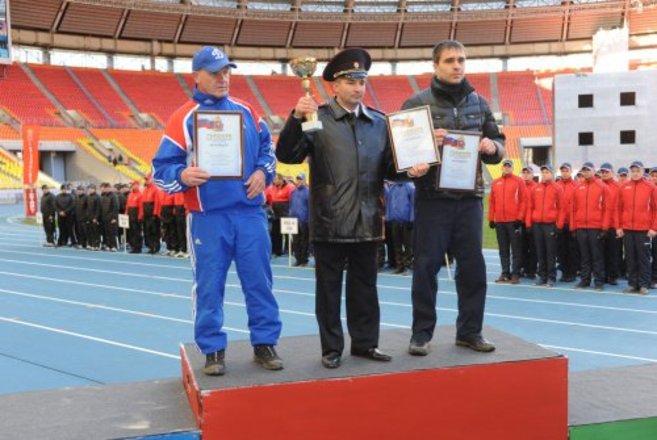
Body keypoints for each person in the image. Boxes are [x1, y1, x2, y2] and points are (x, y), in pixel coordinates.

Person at [152, 46, 282, 376]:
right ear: (196, 76)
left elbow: (268, 151)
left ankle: (265, 343)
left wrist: (262, 173)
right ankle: (212, 349)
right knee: (209, 285)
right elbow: (160, 171)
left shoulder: (247, 111)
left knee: (260, 282)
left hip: (250, 213)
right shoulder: (183, 119)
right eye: (215, 73)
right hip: (207, 217)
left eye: (226, 72)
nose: (223, 78)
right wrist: (182, 175)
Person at [277, 47, 394, 369]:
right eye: (350, 81)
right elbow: (287, 156)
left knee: (365, 289)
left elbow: (391, 168)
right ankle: (331, 348)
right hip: (330, 221)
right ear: (335, 85)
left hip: (368, 220)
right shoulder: (315, 119)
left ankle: (366, 344)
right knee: (328, 291)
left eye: (362, 81)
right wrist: (295, 119)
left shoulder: (379, 123)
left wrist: (413, 167)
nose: (358, 87)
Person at [401, 39, 505, 356]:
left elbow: (499, 144)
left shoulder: (480, 102)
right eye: (449, 60)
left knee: (473, 269)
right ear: (435, 66)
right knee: (425, 268)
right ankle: (421, 334)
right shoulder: (416, 104)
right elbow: (402, 155)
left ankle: (470, 332)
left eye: (461, 59)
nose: (457, 65)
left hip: (470, 200)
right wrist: (427, 145)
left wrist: (492, 147)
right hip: (433, 199)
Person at [616, 161, 657, 295]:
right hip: (628, 229)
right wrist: (619, 226)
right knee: (630, 257)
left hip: (644, 230)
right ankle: (633, 284)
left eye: (637, 171)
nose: (635, 173)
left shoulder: (651, 187)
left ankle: (644, 284)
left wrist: (654, 227)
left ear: (642, 172)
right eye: (633, 171)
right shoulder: (624, 187)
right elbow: (618, 209)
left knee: (643, 258)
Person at [570, 162, 611, 291]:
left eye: (588, 170)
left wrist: (604, 228)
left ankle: (598, 282)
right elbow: (573, 209)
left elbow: (607, 209)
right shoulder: (578, 187)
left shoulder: (602, 187)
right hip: (581, 227)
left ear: (593, 171)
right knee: (584, 256)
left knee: (597, 256)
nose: (586, 172)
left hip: (595, 227)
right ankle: (585, 280)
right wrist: (573, 227)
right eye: (584, 170)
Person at [525, 165, 564, 287]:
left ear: (551, 173)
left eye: (547, 172)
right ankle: (542, 276)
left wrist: (559, 225)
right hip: (537, 225)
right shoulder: (536, 188)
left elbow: (562, 208)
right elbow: (530, 207)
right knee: (540, 252)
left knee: (550, 253)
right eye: (543, 172)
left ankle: (551, 277)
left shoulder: (557, 188)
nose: (545, 174)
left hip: (550, 225)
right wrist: (529, 223)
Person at [488, 159, 526, 284]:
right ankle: (505, 273)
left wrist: (519, 218)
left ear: (512, 168)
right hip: (500, 221)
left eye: (509, 166)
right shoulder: (496, 182)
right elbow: (492, 201)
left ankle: (515, 274)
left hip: (513, 221)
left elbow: (523, 201)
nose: (506, 168)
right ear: (502, 168)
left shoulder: (518, 181)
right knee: (503, 249)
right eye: (505, 166)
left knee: (516, 249)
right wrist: (491, 218)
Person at [555, 163, 578, 282]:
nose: (564, 173)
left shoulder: (576, 186)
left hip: (571, 223)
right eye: (563, 171)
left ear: (571, 172)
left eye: (566, 171)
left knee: (572, 249)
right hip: (559, 223)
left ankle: (572, 273)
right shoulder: (556, 185)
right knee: (561, 249)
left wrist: (575, 225)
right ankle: (564, 273)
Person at [599, 163, 621, 285]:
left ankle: (613, 276)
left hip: (613, 225)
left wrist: (619, 225)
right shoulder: (598, 185)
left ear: (612, 172)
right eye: (602, 172)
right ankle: (602, 275)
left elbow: (620, 207)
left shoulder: (618, 187)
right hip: (600, 225)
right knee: (600, 252)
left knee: (613, 252)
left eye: (607, 172)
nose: (604, 174)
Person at [387, 180, 415, 274]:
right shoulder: (392, 188)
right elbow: (389, 204)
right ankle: (399, 266)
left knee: (408, 245)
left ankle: (408, 266)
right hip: (394, 220)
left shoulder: (410, 187)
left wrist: (412, 219)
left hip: (406, 220)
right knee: (397, 245)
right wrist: (388, 218)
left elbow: (413, 205)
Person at [520, 166, 538, 279]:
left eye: (528, 173)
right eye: (524, 173)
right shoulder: (519, 187)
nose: (526, 175)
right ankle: (523, 268)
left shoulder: (536, 187)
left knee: (533, 247)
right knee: (521, 247)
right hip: (520, 221)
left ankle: (532, 270)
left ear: (532, 175)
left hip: (532, 222)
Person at [289, 173, 310, 266]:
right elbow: (291, 205)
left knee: (304, 240)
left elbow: (310, 207)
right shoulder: (293, 192)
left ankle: (304, 260)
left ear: (304, 181)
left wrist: (309, 219)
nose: (299, 181)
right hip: (294, 220)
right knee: (295, 241)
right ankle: (298, 259)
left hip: (304, 220)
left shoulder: (308, 192)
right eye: (297, 179)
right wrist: (290, 216)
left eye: (300, 179)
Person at [125, 180, 144, 254]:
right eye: (132, 185)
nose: (133, 186)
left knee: (137, 232)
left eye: (134, 185)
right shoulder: (130, 194)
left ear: (137, 185)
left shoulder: (140, 194)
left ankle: (138, 247)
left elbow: (141, 207)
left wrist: (140, 216)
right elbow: (127, 205)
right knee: (131, 231)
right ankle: (133, 246)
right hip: (130, 214)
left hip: (136, 215)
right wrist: (126, 213)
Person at [85, 184, 102, 250]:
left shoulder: (97, 197)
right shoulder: (88, 197)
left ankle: (97, 245)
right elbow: (87, 208)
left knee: (96, 232)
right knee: (90, 232)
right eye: (89, 189)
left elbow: (98, 208)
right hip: (89, 218)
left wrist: (96, 218)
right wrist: (87, 217)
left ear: (94, 189)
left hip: (95, 218)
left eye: (91, 189)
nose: (90, 190)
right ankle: (92, 244)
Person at [73, 185, 88, 250]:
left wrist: (86, 217)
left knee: (85, 232)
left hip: (84, 218)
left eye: (80, 190)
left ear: (83, 191)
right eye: (78, 190)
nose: (79, 191)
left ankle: (86, 244)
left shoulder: (86, 197)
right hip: (78, 218)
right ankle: (81, 244)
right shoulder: (77, 198)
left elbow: (88, 208)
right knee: (79, 232)